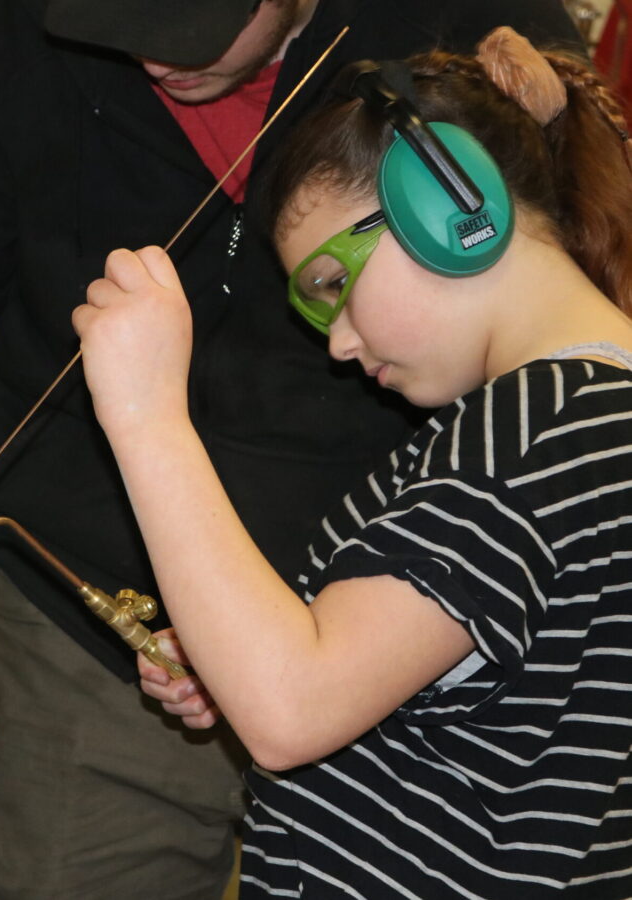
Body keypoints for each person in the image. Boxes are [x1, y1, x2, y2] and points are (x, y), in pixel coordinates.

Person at [0, 1, 585, 897]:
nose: (155, 54)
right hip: (91, 631)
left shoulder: (525, 451)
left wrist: (148, 416)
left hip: (391, 647)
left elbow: (293, 709)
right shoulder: (0, 40)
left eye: (195, 23)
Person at [73, 25, 632, 898]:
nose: (337, 343)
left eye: (332, 284)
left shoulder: (523, 432)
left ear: (453, 207)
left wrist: (146, 415)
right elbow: (484, 696)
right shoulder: (591, 410)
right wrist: (243, 650)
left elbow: (292, 710)